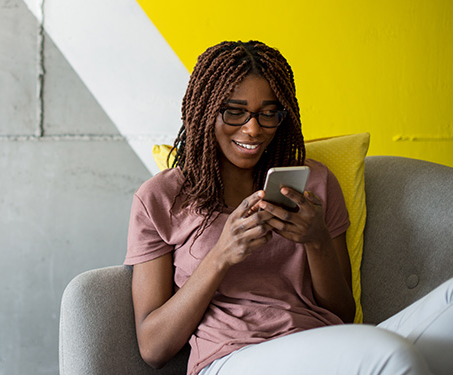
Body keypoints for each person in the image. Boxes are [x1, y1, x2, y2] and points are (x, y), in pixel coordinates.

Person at [124, 40, 453, 375]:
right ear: (206, 110)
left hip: (328, 344)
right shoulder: (161, 198)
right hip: (233, 357)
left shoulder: (315, 182)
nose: (253, 129)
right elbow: (153, 348)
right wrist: (221, 254)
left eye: (268, 113)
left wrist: (317, 240)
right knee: (392, 356)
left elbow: (341, 312)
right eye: (234, 111)